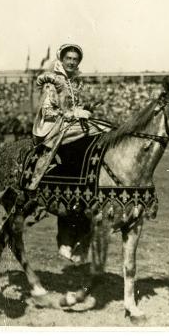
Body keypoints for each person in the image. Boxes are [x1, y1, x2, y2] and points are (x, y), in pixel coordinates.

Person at [29, 44, 110, 262]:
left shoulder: (76, 81)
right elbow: (48, 110)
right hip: (54, 127)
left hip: (73, 125)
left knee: (106, 133)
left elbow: (79, 106)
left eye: (76, 59)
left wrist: (87, 109)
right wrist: (74, 113)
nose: (72, 62)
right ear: (62, 59)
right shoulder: (52, 80)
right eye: (69, 58)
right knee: (78, 145)